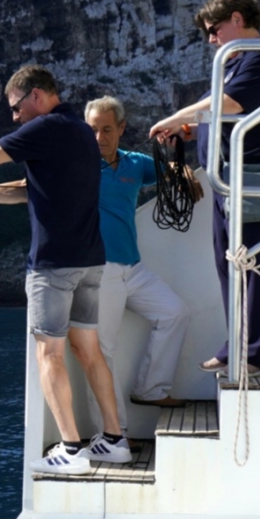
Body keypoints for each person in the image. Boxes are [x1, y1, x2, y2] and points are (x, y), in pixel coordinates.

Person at [0, 65, 131, 475]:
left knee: (50, 353)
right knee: (88, 350)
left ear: (38, 96)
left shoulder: (44, 129)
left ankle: (72, 449)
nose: (14, 117)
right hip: (90, 260)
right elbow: (29, 193)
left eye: (15, 106)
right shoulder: (80, 131)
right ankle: (114, 441)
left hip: (54, 263)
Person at [149, 0, 260, 375]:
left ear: (237, 18)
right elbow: (225, 114)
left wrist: (173, 117)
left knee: (255, 261)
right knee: (229, 262)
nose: (211, 39)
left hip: (257, 178)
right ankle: (238, 345)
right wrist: (189, 130)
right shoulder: (234, 60)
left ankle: (255, 353)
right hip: (230, 178)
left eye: (214, 29)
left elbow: (230, 104)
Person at [84, 96, 190, 433]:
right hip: (100, 271)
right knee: (103, 351)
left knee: (175, 312)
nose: (99, 137)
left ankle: (149, 389)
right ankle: (112, 433)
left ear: (121, 129)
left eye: (106, 129)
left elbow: (165, 169)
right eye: (92, 130)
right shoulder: (77, 167)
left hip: (133, 268)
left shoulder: (134, 163)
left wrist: (183, 171)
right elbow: (31, 187)